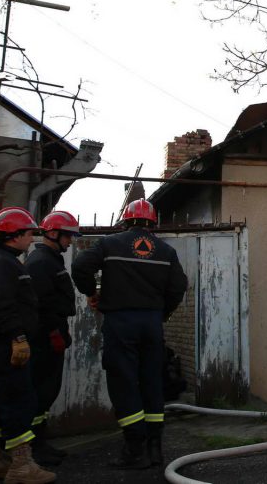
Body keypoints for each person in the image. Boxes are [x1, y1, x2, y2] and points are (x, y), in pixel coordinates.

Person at [71, 199, 187, 470]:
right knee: (151, 382)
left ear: (126, 220)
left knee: (123, 382)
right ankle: (155, 449)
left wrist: (91, 293)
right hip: (151, 323)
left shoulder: (110, 244)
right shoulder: (166, 251)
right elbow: (178, 286)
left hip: (121, 321)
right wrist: (162, 313)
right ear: (152, 223)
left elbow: (80, 267)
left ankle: (135, 449)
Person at [0, 207, 56, 484]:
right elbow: (1, 307)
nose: (32, 239)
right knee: (19, 400)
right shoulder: (2, 265)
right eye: (29, 233)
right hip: (4, 345)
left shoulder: (0, 262)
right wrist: (18, 338)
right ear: (14, 235)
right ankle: (21, 465)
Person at [25, 210, 80, 467]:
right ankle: (33, 448)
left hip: (52, 334)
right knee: (40, 392)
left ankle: (40, 442)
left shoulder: (50, 259)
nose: (70, 242)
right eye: (68, 236)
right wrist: (52, 332)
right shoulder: (40, 262)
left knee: (47, 392)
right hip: (44, 338)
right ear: (54, 233)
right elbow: (39, 304)